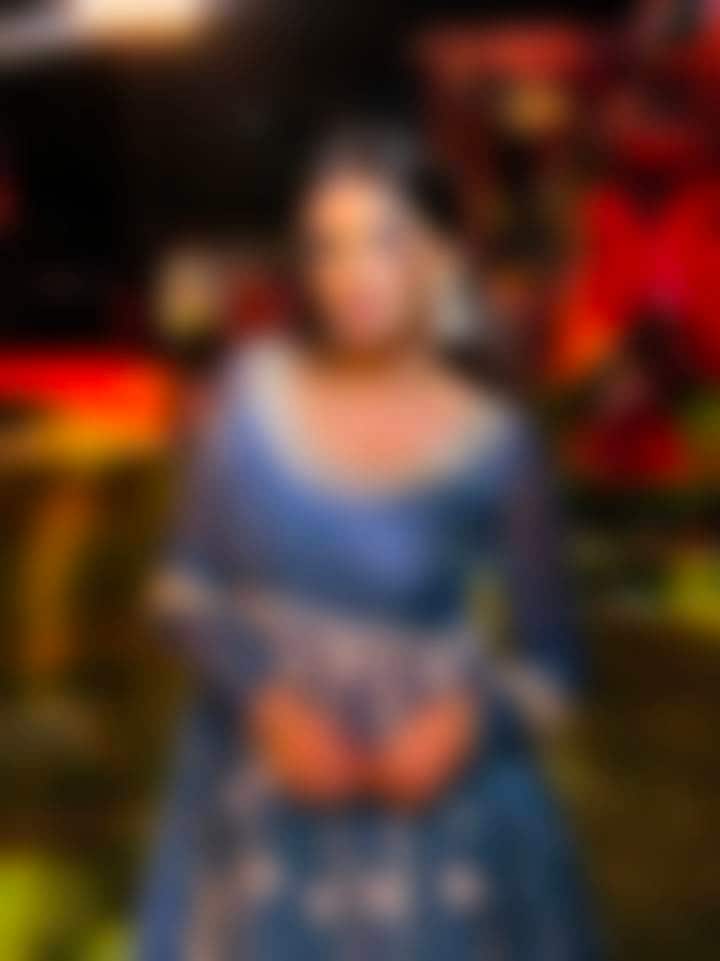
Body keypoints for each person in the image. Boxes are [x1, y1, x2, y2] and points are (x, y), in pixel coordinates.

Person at [140, 124, 600, 961]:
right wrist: (265, 700)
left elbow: (554, 662)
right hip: (257, 811)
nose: (353, 273)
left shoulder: (496, 443)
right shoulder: (250, 395)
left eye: (384, 241)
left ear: (441, 256)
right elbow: (184, 587)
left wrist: (467, 725)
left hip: (436, 842)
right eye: (329, 247)